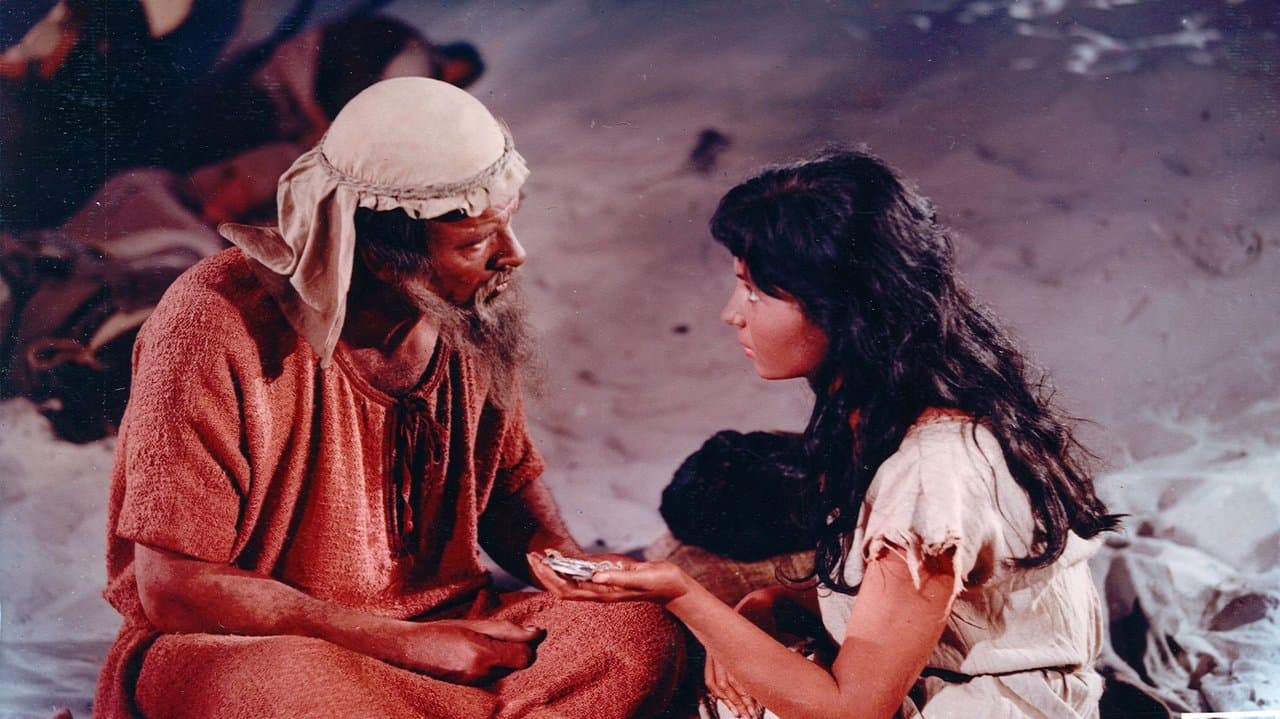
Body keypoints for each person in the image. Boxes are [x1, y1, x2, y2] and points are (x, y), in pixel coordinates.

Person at [95, 76, 683, 719]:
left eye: (508, 226)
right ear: (380, 254)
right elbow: (173, 589)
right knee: (283, 690)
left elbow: (506, 493)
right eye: (475, 243)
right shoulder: (212, 323)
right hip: (270, 648)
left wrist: (578, 573)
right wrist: (402, 644)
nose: (513, 256)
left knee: (635, 636)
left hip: (454, 630)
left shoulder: (469, 311)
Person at [541, 149, 1119, 719]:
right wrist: (770, 602)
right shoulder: (896, 413)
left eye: (756, 291)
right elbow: (905, 612)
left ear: (842, 310)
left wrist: (681, 593)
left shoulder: (933, 469)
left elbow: (853, 712)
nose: (732, 313)